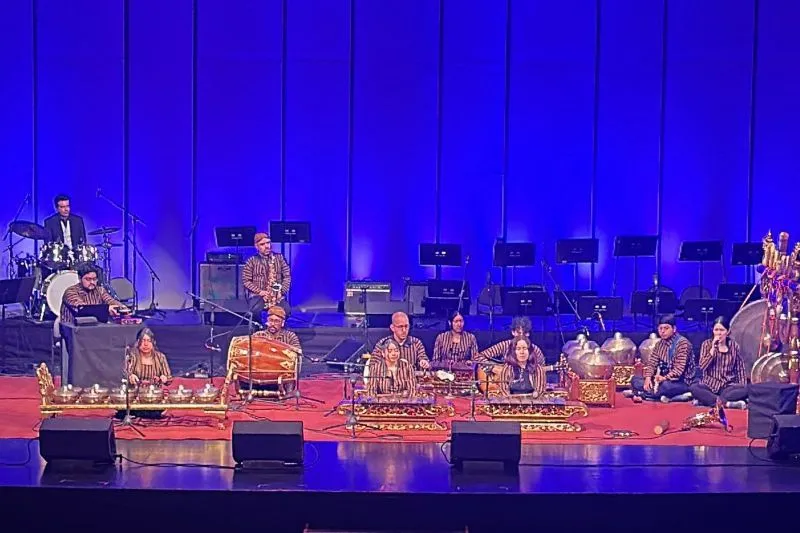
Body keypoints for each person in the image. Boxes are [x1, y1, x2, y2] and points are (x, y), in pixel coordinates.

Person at [630, 315, 696, 403]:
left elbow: (678, 370)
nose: (663, 331)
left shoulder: (682, 344)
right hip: (661, 380)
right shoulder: (659, 344)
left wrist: (664, 378)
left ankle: (641, 394)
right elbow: (652, 363)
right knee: (635, 380)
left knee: (665, 387)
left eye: (666, 328)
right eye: (660, 328)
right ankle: (656, 395)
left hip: (681, 382)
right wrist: (648, 378)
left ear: (674, 329)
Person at [689, 316, 749, 409]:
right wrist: (712, 350)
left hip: (727, 386)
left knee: (746, 389)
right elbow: (702, 366)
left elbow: (739, 368)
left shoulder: (734, 346)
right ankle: (727, 404)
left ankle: (707, 401)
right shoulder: (706, 344)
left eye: (722, 330)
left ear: (728, 332)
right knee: (694, 388)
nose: (719, 333)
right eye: (716, 330)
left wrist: (742, 387)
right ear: (713, 331)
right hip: (709, 386)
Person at [241, 232, 291, 318]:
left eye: (268, 243)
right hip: (258, 296)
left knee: (286, 310)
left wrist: (281, 291)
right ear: (256, 246)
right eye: (262, 244)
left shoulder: (279, 258)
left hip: (277, 296)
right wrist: (260, 292)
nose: (267, 246)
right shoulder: (251, 261)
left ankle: (278, 329)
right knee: (255, 311)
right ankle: (260, 329)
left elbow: (287, 276)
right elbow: (246, 281)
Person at [60, 263, 126, 324]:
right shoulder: (71, 291)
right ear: (80, 279)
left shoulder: (100, 290)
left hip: (94, 328)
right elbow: (83, 310)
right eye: (88, 279)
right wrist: (107, 309)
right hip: (73, 329)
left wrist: (122, 307)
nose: (92, 282)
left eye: (94, 279)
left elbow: (110, 300)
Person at [475, 315, 545, 366]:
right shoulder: (505, 345)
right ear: (513, 332)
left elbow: (542, 369)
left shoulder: (535, 350)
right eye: (518, 333)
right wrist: (492, 368)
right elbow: (478, 357)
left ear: (528, 334)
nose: (521, 336)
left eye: (524, 333)